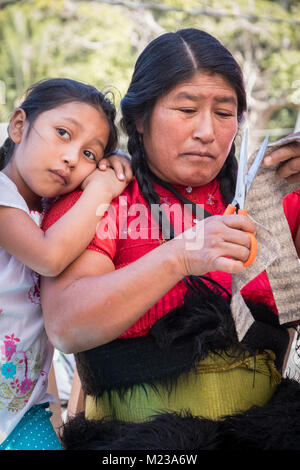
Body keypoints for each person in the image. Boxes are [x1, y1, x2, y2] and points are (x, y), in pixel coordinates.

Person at [41, 30, 300, 450]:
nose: (206, 131)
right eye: (186, 109)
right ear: (140, 119)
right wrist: (179, 257)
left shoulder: (271, 200)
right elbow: (67, 325)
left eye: (224, 112)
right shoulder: (102, 197)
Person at [0, 77, 132, 450]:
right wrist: (104, 187)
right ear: (19, 125)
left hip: (23, 411)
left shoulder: (50, 208)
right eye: (62, 133)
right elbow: (49, 257)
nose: (73, 157)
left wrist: (115, 163)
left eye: (90, 154)